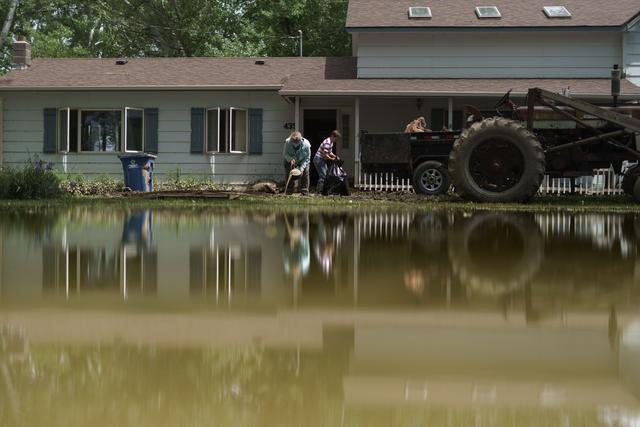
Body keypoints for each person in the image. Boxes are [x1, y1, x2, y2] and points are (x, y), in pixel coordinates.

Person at [283, 131, 311, 195]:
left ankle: (304, 191)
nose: (295, 144)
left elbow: (307, 158)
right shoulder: (287, 142)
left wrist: (301, 168)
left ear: (300, 140)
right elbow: (285, 154)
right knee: (288, 173)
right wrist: (290, 160)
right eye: (293, 142)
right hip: (290, 160)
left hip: (303, 161)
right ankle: (289, 191)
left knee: (305, 173)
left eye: (297, 142)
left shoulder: (306, 145)